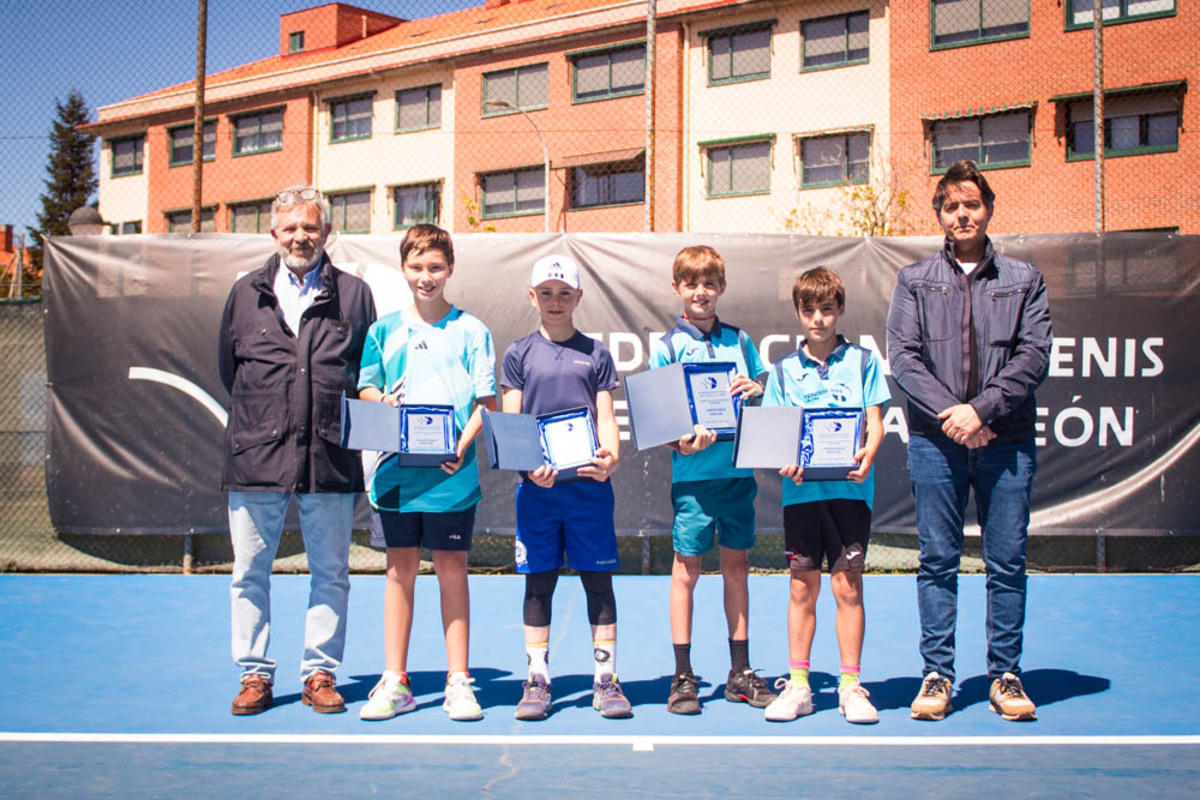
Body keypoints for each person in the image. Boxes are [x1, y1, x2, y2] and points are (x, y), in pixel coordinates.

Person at [886, 160, 1052, 722]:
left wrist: (980, 411)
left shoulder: (1025, 279)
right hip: (936, 443)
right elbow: (904, 360)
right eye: (952, 206)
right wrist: (953, 416)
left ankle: (1005, 675)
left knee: (1006, 561)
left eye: (972, 204)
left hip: (1007, 441)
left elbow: (1034, 357)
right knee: (937, 560)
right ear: (940, 214)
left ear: (988, 209)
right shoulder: (914, 280)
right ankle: (938, 675)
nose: (963, 214)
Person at [219, 185, 376, 716]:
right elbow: (229, 370)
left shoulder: (354, 294)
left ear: (326, 232)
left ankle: (320, 672)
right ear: (274, 234)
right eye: (290, 228)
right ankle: (254, 674)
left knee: (330, 572)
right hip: (255, 460)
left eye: (310, 227)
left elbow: (362, 373)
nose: (300, 237)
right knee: (248, 572)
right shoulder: (244, 292)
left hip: (328, 458)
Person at [355, 225, 496, 722]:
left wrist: (460, 446)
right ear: (403, 269)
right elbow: (367, 389)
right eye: (416, 267)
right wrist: (382, 402)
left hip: (452, 477)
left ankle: (458, 680)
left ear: (450, 268)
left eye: (435, 266)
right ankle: (396, 680)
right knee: (399, 571)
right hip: (395, 476)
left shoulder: (472, 330)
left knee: (452, 569)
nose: (426, 276)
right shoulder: (382, 330)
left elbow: (487, 403)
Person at [500, 254, 630, 720]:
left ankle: (606, 681)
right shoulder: (518, 354)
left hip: (588, 491)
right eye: (547, 293)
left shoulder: (596, 353)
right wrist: (528, 465)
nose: (556, 301)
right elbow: (513, 422)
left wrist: (610, 457)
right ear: (533, 297)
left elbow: (605, 418)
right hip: (537, 492)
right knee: (539, 585)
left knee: (599, 582)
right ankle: (537, 680)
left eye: (565, 293)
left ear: (579, 297)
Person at [648, 245, 777, 715]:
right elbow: (660, 421)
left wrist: (758, 389)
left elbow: (766, 393)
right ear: (678, 288)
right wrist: (681, 443)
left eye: (709, 283)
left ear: (721, 287)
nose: (700, 292)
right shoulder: (665, 348)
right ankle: (683, 675)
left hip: (737, 476)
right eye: (691, 283)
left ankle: (739, 671)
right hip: (694, 481)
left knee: (738, 568)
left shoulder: (740, 341)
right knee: (687, 572)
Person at [761, 267, 890, 724]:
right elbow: (777, 435)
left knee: (847, 587)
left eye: (827, 309)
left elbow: (874, 423)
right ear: (798, 313)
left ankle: (851, 686)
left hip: (851, 493)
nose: (818, 319)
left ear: (840, 311)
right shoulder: (783, 371)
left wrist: (868, 455)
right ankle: (799, 687)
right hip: (802, 496)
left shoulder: (863, 362)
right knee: (802, 587)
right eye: (809, 310)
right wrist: (785, 459)